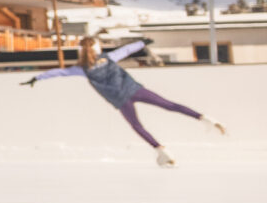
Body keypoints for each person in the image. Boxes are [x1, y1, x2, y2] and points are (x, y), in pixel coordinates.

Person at [25, 38, 226, 167]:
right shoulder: (110, 57)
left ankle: (161, 150)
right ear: (97, 48)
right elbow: (127, 49)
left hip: (121, 100)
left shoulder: (82, 68)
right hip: (135, 90)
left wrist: (37, 78)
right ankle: (204, 118)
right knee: (168, 105)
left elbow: (59, 72)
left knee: (137, 126)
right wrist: (142, 42)